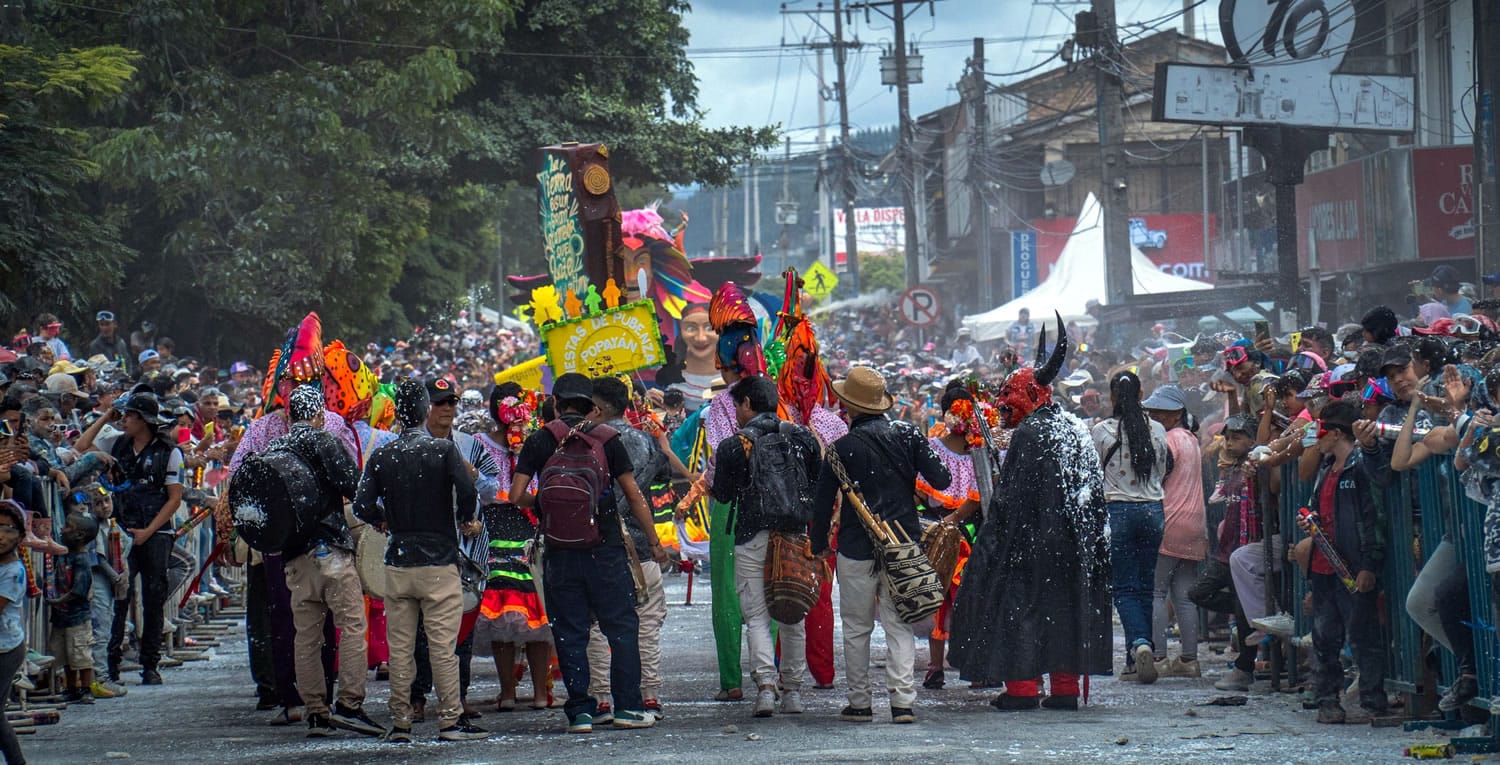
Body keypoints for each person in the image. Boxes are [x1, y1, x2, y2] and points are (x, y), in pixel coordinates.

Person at [950, 322, 1111, 710]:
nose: (1002, 402)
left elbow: (1012, 500)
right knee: (1065, 611)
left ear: (1034, 394)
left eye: (1008, 394)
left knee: (1017, 610)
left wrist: (992, 542)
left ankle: (1022, 689)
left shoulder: (1032, 434)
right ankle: (1064, 689)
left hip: (1032, 545)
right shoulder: (1074, 429)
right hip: (1073, 548)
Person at [508, 373, 668, 734]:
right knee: (621, 629)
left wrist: (547, 507)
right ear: (590, 406)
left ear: (555, 403)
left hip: (560, 552)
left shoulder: (540, 439)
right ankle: (627, 707)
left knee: (571, 631)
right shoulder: (608, 439)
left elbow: (517, 495)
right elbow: (633, 495)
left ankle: (582, 711)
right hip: (605, 548)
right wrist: (654, 541)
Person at [812, 366, 951, 724]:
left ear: (850, 407)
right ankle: (902, 702)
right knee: (900, 625)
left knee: (857, 628)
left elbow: (822, 502)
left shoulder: (841, 448)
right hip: (903, 545)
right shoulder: (908, 435)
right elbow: (943, 478)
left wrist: (817, 545)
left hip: (856, 547)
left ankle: (860, 703)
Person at [353, 379, 488, 743]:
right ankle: (449, 719)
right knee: (443, 647)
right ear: (426, 410)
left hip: (398, 562)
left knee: (401, 648)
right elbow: (469, 490)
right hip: (440, 561)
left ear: (398, 413)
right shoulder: (443, 451)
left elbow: (361, 505)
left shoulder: (384, 455)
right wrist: (465, 520)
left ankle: (400, 721)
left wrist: (384, 520)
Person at [272, 386, 382, 738]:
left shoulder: (275, 449)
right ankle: (349, 705)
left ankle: (316, 712)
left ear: (289, 416)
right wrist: (381, 518)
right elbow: (357, 490)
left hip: (294, 558)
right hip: (331, 549)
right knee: (350, 625)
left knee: (306, 635)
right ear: (320, 414)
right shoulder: (325, 442)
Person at [710, 375, 821, 718]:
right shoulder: (804, 438)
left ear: (746, 404)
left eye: (737, 407)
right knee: (792, 615)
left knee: (756, 616)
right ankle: (794, 693)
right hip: (794, 537)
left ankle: (766, 689)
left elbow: (724, 495)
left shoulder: (733, 446)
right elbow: (815, 486)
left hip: (751, 536)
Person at [74, 391, 184, 686]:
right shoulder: (117, 442)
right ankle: (112, 663)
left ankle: (150, 663)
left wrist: (148, 531)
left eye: (130, 416)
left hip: (156, 531)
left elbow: (174, 498)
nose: (124, 420)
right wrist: (104, 418)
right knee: (119, 596)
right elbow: (81, 447)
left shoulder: (169, 452)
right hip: (119, 531)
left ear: (144, 420)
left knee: (153, 597)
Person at [585, 376, 672, 721]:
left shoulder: (585, 441)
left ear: (600, 407)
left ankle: (602, 699)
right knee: (646, 622)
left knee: (595, 624)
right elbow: (664, 474)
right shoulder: (645, 441)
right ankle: (648, 695)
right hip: (640, 548)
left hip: (596, 545)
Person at [1303, 401, 1388, 723]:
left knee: (1363, 635)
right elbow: (1316, 507)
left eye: (1321, 431)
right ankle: (1328, 699)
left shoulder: (1360, 467)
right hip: (1324, 566)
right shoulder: (1326, 468)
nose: (1317, 439)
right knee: (1325, 637)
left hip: (1352, 566)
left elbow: (1373, 517)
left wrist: (1369, 563)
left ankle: (1373, 701)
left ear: (1336, 433)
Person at [1093, 370, 1170, 683]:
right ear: (1141, 396)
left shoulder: (1102, 431)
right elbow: (1162, 470)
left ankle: (1138, 644)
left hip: (1119, 511)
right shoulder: (1158, 429)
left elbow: (1094, 472)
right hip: (1153, 510)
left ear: (1112, 397)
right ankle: (1136, 654)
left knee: (1124, 588)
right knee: (1145, 586)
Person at [1188, 414, 1262, 692]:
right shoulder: (1230, 470)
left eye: (1237, 438)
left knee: (1244, 614)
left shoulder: (1257, 467)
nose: (1230, 444)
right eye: (1228, 438)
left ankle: (1245, 668)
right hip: (1226, 550)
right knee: (1197, 592)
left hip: (1246, 550)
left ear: (1253, 441)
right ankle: (1251, 612)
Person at [917, 382, 984, 690]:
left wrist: (953, 519)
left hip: (967, 534)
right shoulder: (933, 448)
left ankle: (971, 663)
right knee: (940, 600)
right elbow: (920, 489)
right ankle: (936, 666)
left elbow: (981, 495)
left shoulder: (980, 454)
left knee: (967, 601)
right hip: (939, 531)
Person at [1141, 385, 1206, 678]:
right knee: (1184, 595)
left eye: (1161, 411)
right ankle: (1189, 659)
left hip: (1169, 519)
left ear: (1176, 413)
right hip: (1195, 524)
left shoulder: (1168, 441)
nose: (1154, 414)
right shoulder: (1192, 439)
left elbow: (1155, 476)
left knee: (1155, 592)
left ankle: (1159, 658)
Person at [50, 511, 99, 706]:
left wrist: (57, 600)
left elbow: (79, 589)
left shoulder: (81, 559)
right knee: (65, 656)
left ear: (79, 535)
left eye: (68, 526)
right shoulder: (64, 554)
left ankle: (86, 688)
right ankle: (71, 687)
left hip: (77, 617)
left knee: (81, 655)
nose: (62, 529)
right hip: (62, 616)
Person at [0, 501, 28, 765]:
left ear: (20, 536)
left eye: (9, 530)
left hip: (6, 649)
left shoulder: (13, 571)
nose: (1, 536)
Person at [88, 311, 131, 375]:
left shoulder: (121, 342)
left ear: (115, 324)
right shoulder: (95, 345)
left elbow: (128, 363)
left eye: (107, 324)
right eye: (102, 324)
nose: (104, 328)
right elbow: (95, 369)